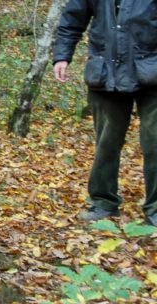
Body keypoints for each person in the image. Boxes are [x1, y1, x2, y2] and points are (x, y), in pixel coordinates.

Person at [52, 0, 157, 226]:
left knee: (155, 142)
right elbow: (72, 19)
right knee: (106, 143)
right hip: (105, 73)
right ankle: (103, 202)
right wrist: (62, 55)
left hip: (152, 74)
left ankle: (155, 209)